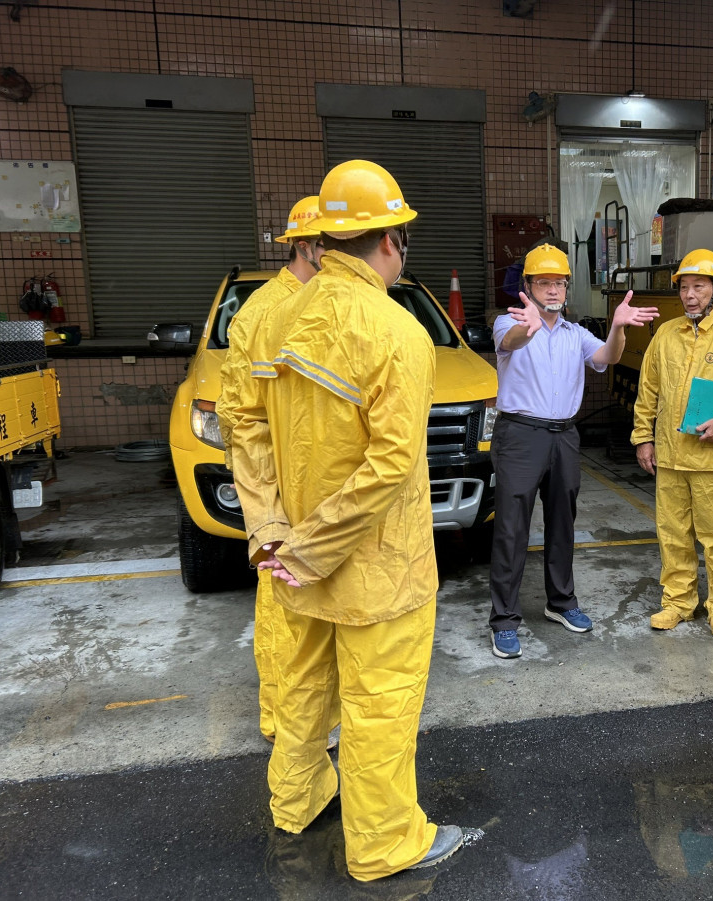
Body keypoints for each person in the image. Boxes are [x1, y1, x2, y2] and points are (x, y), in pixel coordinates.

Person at [249, 159, 463, 879]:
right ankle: (383, 842)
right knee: (379, 708)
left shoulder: (272, 318)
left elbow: (247, 432)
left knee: (303, 689)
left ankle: (297, 799)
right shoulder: (397, 332)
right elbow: (391, 464)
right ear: (391, 241)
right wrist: (312, 548)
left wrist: (271, 532)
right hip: (376, 568)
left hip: (292, 560)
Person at [488, 242, 658, 659]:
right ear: (526, 286)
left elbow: (606, 357)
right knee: (512, 528)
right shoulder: (507, 323)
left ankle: (560, 602)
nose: (552, 290)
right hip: (520, 435)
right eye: (543, 282)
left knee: (563, 522)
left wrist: (618, 328)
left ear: (567, 288)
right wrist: (525, 327)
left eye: (558, 283)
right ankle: (505, 620)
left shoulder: (575, 334)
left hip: (564, 436)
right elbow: (509, 342)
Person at [218, 195, 339, 748]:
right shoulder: (263, 313)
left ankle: (322, 720)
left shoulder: (332, 302)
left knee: (326, 618)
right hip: (287, 495)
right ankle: (284, 724)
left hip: (329, 495)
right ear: (305, 245)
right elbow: (242, 421)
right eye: (331, 244)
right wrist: (265, 517)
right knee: (285, 616)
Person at [631, 249, 713, 637]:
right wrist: (643, 438)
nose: (690, 295)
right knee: (672, 534)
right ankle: (678, 602)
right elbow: (648, 391)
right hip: (671, 458)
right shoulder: (665, 335)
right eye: (685, 288)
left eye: (699, 287)